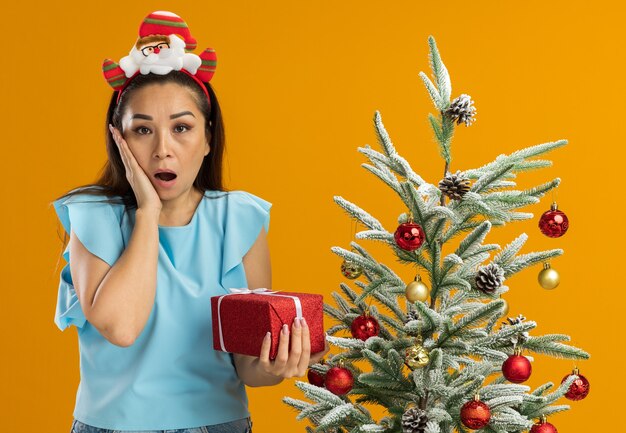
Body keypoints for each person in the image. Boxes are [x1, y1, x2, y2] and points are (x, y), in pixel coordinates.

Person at [51, 10, 329, 433]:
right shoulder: (93, 216)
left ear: (207, 139)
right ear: (119, 140)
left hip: (218, 424)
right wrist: (148, 212)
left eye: (181, 128)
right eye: (142, 131)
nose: (163, 149)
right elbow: (122, 327)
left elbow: (246, 366)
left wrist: (276, 365)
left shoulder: (240, 219)